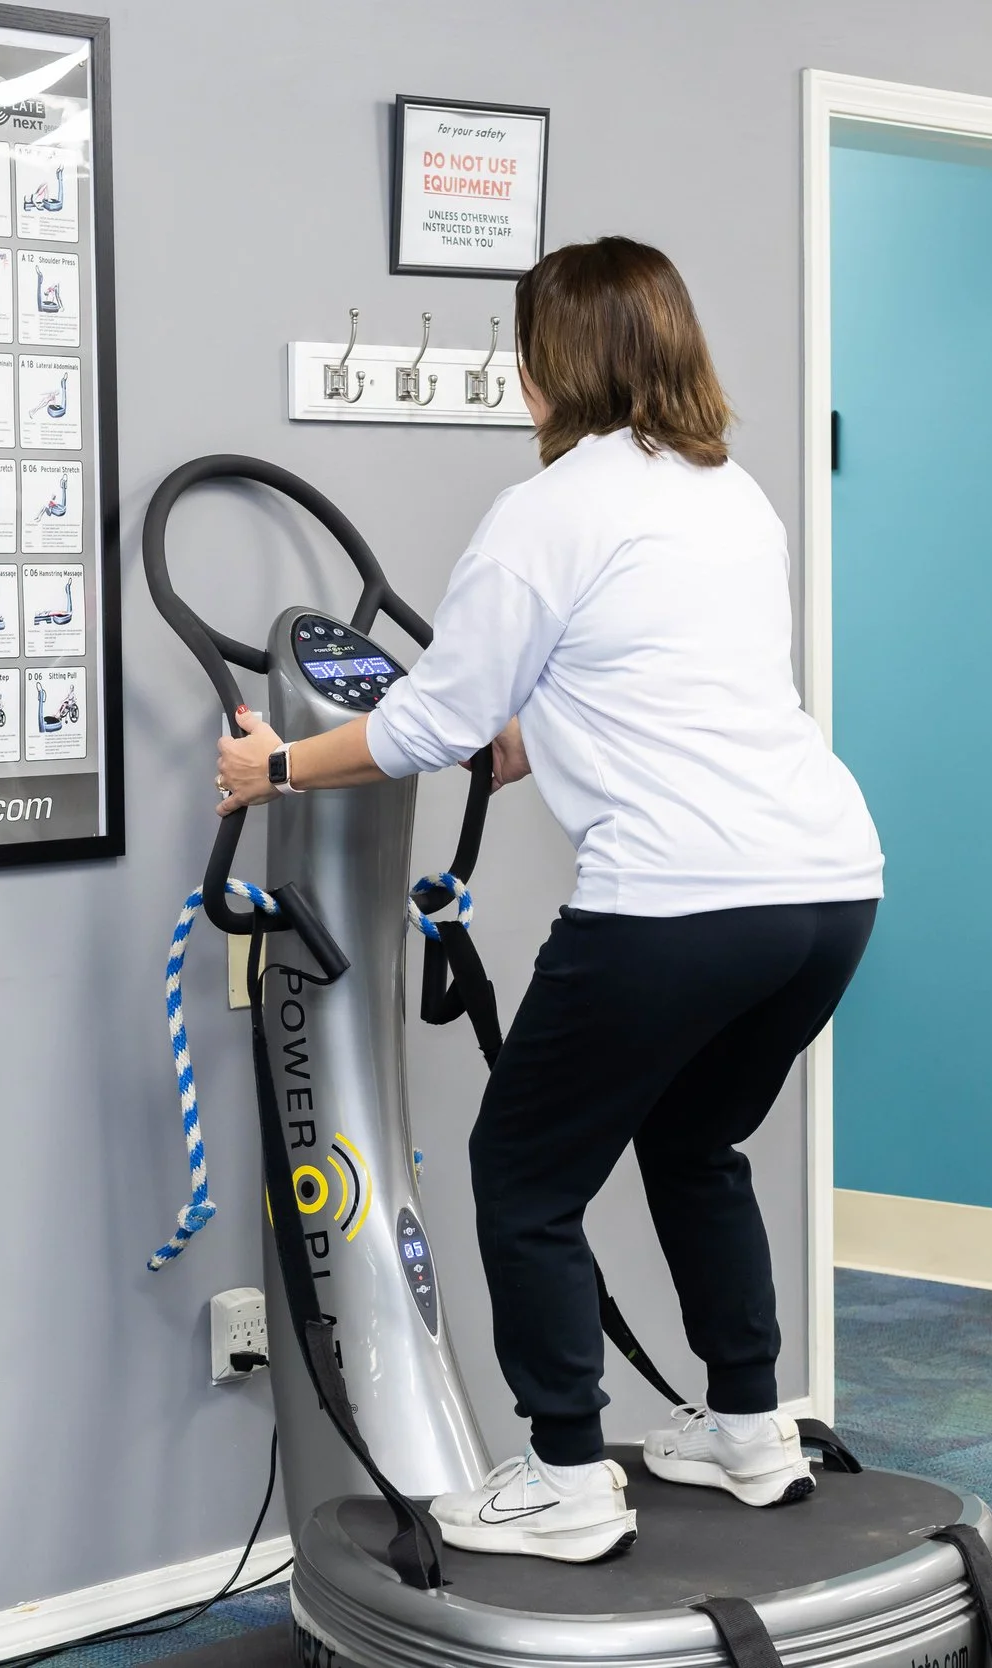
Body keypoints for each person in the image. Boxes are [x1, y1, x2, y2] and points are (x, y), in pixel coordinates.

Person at [212, 237, 882, 1563]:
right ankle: (750, 1427)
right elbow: (673, 682)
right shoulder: (735, 497)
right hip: (826, 891)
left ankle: (567, 1478)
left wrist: (272, 767)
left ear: (543, 369)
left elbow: (421, 725)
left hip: (675, 898)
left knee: (522, 1174)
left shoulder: (547, 511)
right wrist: (537, 737)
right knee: (695, 1143)